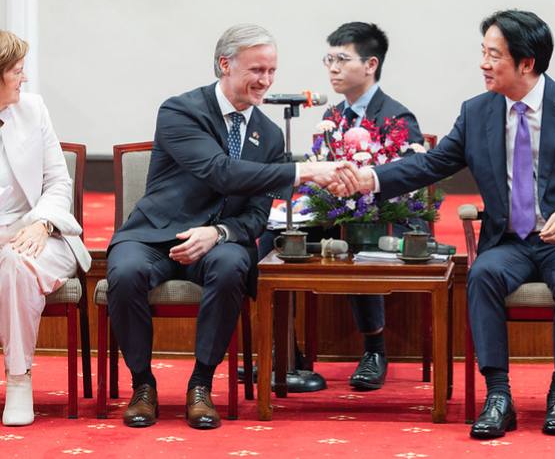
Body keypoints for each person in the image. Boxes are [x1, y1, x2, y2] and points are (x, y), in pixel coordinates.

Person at [349, 10, 555, 438]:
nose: (483, 63)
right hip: (510, 240)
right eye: (483, 52)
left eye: (493, 55)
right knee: (481, 274)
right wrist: (373, 179)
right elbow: (434, 163)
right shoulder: (477, 112)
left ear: (526, 63)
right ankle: (498, 395)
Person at [105, 24, 356, 430]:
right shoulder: (180, 110)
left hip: (218, 240)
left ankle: (201, 385)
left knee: (232, 265)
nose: (266, 80)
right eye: (257, 69)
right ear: (225, 64)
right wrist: (306, 171)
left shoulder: (269, 135)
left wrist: (218, 233)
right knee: (126, 270)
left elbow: (257, 216)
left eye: (272, 71)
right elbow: (219, 172)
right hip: (155, 233)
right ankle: (143, 386)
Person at [322, 21, 424, 390]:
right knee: (279, 238)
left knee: (361, 237)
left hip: (391, 216)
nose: (332, 68)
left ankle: (375, 350)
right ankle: (285, 353)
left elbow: (412, 183)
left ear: (370, 65)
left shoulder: (397, 117)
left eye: (342, 59)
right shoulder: (331, 117)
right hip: (341, 211)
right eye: (328, 59)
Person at [0, 30, 91, 426]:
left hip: (40, 234)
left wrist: (42, 221)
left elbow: (58, 182)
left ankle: (19, 380)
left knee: (14, 264)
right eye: (17, 72)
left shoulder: (33, 109)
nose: (24, 79)